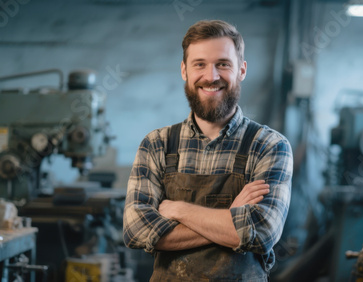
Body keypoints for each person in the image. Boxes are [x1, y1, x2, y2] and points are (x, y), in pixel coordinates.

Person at [123, 19, 293, 281]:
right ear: (184, 71)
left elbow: (261, 232)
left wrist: (178, 210)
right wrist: (231, 221)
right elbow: (137, 230)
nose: (211, 76)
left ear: (242, 70)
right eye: (199, 64)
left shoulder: (269, 146)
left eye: (223, 64)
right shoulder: (156, 144)